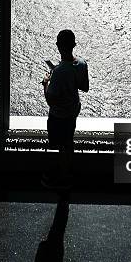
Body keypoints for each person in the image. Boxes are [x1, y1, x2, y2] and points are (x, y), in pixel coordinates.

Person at [41, 30, 89, 188]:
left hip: (58, 115)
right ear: (74, 45)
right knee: (68, 142)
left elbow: (50, 100)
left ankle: (60, 178)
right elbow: (85, 87)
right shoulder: (81, 63)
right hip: (73, 111)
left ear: (58, 46)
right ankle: (68, 173)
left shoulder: (60, 72)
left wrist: (46, 82)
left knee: (58, 145)